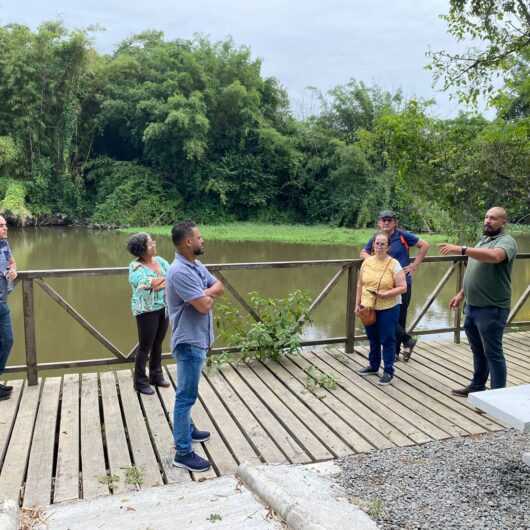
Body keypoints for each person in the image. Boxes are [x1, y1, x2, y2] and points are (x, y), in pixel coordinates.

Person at [439, 207, 518, 397]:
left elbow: (495, 257)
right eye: (486, 217)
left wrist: (462, 249)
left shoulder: (507, 241)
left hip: (492, 308)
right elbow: (475, 268)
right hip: (473, 306)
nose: (488, 221)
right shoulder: (483, 240)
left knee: (493, 353)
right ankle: (477, 387)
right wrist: (461, 293)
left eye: (493, 218)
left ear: (503, 222)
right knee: (478, 350)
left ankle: (497, 397)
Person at [166, 221, 224, 472]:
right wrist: (205, 295)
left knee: (187, 393)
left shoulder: (195, 265)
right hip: (188, 341)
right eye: (199, 238)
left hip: (198, 337)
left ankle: (188, 430)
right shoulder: (180, 271)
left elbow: (219, 285)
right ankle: (183, 451)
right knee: (185, 396)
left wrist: (203, 292)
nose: (203, 241)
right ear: (188, 242)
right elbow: (204, 305)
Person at [360, 210, 430, 361]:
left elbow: (424, 245)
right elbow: (363, 253)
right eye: (383, 220)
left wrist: (414, 265)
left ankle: (396, 352)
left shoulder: (403, 236)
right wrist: (375, 259)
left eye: (389, 220)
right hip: (384, 287)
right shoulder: (377, 238)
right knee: (385, 318)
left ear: (395, 222)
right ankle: (407, 341)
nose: (386, 222)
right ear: (379, 222)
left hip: (402, 284)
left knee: (399, 318)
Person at [356, 231, 407, 385]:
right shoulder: (367, 262)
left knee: (387, 339)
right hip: (368, 306)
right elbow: (360, 284)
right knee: (373, 337)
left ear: (388, 247)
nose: (379, 246)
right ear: (373, 245)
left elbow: (403, 287)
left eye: (382, 244)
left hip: (389, 306)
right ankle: (373, 366)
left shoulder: (394, 264)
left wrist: (387, 294)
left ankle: (388, 371)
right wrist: (357, 304)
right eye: (376, 243)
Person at [127, 232, 171, 395]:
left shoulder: (159, 261)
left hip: (163, 306)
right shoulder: (135, 267)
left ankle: (156, 376)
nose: (154, 244)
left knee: (158, 342)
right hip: (146, 310)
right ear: (142, 249)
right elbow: (145, 283)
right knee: (145, 345)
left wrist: (162, 281)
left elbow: (172, 275)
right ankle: (139, 381)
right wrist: (163, 281)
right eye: (150, 243)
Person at [0, 216, 16, 401]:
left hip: (2, 300)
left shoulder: (4, 244)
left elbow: (11, 261)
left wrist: (13, 270)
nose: (5, 228)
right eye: (1, 226)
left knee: (7, 340)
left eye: (5, 225)